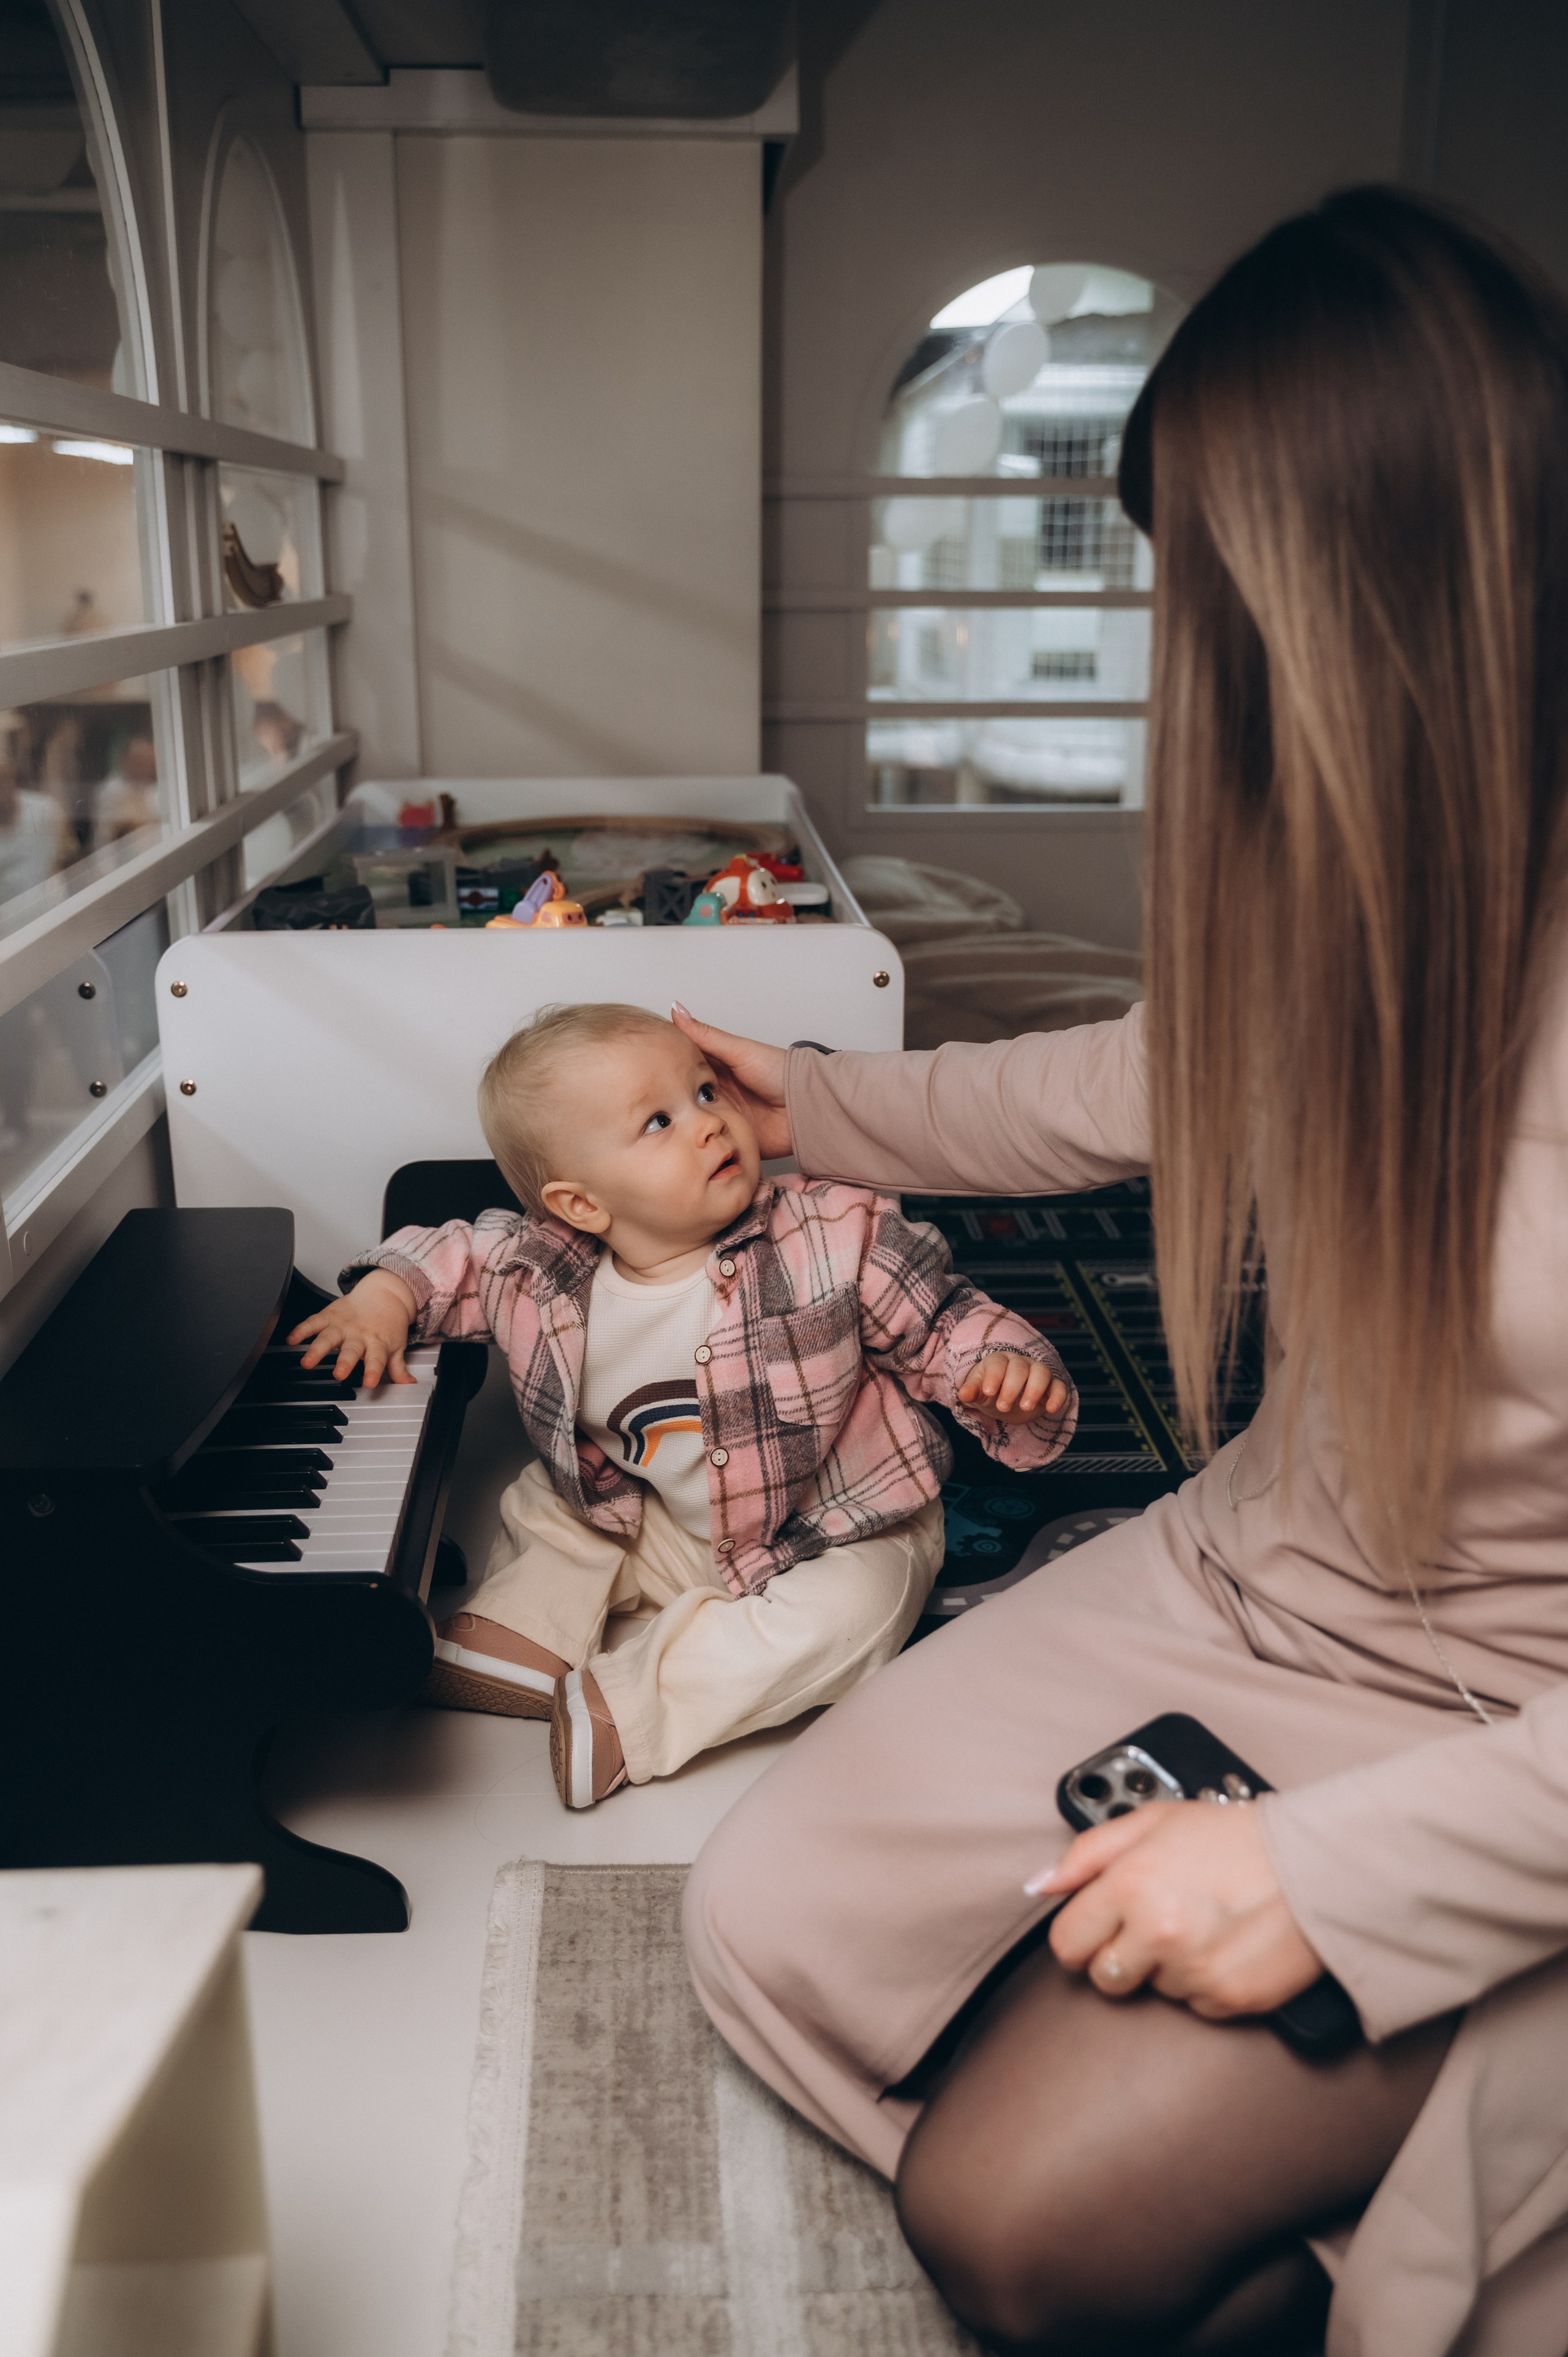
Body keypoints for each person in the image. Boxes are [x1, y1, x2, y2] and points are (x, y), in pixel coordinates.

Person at [677, 186, 1568, 2357]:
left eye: (1202, 607)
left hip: (1524, 1729)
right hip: (1263, 1582)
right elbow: (1120, 1083)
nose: (1180, 665)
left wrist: (1326, 1880)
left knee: (1024, 2222)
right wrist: (804, 1107)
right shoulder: (1379, 894)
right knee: (765, 1924)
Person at [290, 1002, 1072, 1809]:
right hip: (662, 1519)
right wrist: (383, 1298)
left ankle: (635, 1704)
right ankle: (528, 1634)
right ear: (582, 1206)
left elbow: (941, 1319)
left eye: (705, 1092)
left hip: (839, 1523)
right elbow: (449, 1253)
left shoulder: (834, 1232)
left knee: (860, 1617)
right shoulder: (539, 1268)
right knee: (550, 1506)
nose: (708, 1125)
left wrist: (999, 1368)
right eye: (658, 1122)